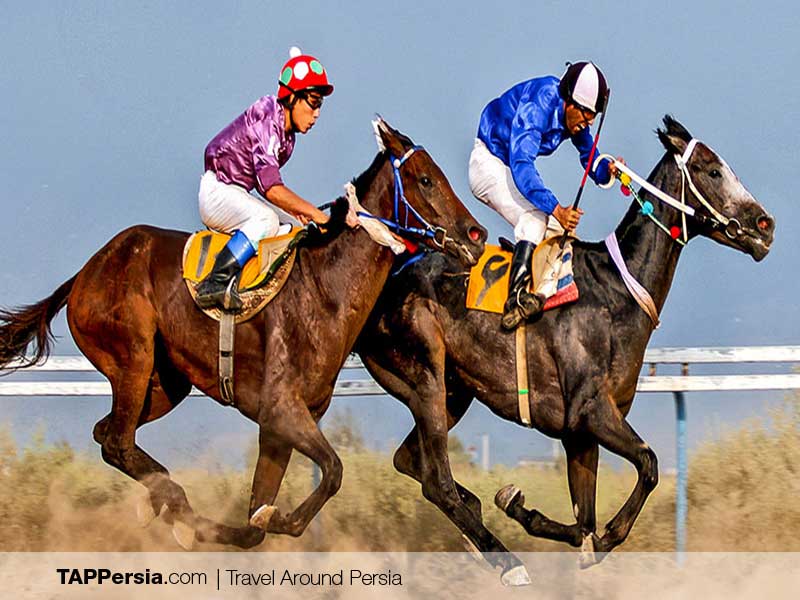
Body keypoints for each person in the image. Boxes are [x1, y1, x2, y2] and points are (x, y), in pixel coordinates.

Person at [196, 47, 355, 311]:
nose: (317, 114)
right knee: (266, 220)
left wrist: (300, 214)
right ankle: (216, 282)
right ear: (292, 98)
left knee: (296, 228)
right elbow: (271, 189)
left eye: (320, 106)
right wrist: (318, 215)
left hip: (237, 193)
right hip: (217, 193)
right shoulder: (267, 115)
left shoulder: (287, 137)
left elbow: (267, 187)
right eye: (313, 103)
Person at [468, 61, 623, 329]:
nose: (587, 124)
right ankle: (515, 300)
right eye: (585, 116)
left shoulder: (573, 114)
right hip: (489, 163)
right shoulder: (538, 105)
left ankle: (542, 296)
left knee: (559, 232)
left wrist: (608, 170)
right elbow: (521, 165)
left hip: (507, 166)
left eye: (592, 119)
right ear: (570, 103)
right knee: (537, 219)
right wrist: (556, 208)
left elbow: (590, 157)